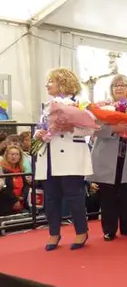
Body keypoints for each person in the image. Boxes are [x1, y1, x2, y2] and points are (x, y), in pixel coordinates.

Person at [35, 68, 93, 251]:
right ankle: (54, 233)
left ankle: (81, 231)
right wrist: (38, 132)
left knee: (74, 196)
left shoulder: (81, 103)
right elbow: (40, 126)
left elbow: (91, 129)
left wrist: (70, 128)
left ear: (63, 82)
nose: (47, 85)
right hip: (49, 155)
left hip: (70, 156)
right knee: (51, 198)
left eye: (51, 81)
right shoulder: (47, 106)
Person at [88, 75, 127, 241]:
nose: (119, 88)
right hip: (106, 156)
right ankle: (109, 230)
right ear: (111, 89)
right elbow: (94, 129)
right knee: (108, 195)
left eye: (123, 85)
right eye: (116, 85)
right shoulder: (104, 107)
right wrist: (114, 129)